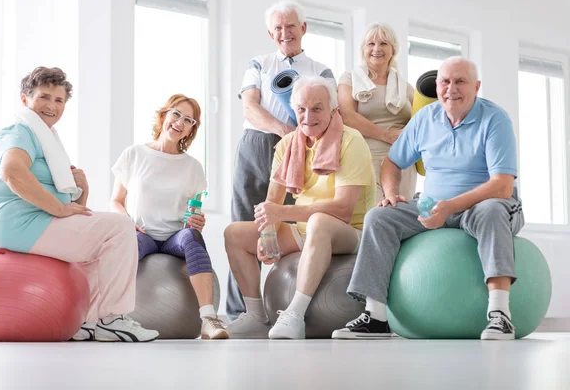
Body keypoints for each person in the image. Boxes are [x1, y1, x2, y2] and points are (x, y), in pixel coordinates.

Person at [333, 57, 524, 341]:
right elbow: (391, 163)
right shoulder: (425, 118)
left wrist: (451, 206)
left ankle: (500, 315)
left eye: (460, 81)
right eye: (445, 82)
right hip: (433, 205)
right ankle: (375, 316)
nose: (451, 89)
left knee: (493, 210)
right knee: (379, 217)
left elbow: (502, 186)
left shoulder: (495, 119)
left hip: (483, 204)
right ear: (437, 86)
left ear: (476, 86)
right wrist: (391, 193)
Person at [0, 66, 159, 342]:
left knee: (97, 244)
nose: (51, 105)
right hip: (20, 224)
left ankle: (87, 321)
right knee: (120, 226)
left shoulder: (44, 137)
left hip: (32, 221)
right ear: (25, 99)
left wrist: (80, 195)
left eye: (58, 100)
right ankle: (112, 318)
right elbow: (12, 172)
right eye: (44, 97)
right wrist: (59, 208)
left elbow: (62, 201)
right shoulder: (19, 131)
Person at [224, 76, 375, 339]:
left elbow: (343, 209)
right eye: (301, 109)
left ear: (333, 109)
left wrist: (282, 214)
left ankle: (294, 313)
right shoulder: (286, 145)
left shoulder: (351, 141)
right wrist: (267, 234)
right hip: (306, 231)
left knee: (319, 221)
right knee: (234, 234)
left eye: (317, 108)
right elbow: (272, 202)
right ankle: (256, 314)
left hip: (350, 232)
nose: (307, 117)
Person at [226, 0, 337, 320]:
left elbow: (330, 114)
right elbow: (249, 106)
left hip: (302, 153)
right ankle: (241, 313)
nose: (285, 33)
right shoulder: (259, 63)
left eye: (291, 26)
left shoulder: (321, 71)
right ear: (270, 33)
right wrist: (285, 131)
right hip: (257, 145)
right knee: (245, 225)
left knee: (292, 228)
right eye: (278, 28)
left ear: (303, 28)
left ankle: (287, 309)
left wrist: (296, 141)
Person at [110, 94, 228, 340]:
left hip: (175, 236)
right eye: (176, 114)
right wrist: (127, 223)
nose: (180, 122)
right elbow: (116, 201)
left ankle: (208, 319)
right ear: (163, 115)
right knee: (126, 248)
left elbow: (193, 209)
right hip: (143, 233)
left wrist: (197, 220)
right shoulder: (134, 154)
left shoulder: (193, 166)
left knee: (192, 237)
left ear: (190, 130)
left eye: (188, 120)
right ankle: (111, 317)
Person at [338, 22, 416, 202]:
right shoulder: (349, 79)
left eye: (383, 43)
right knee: (373, 215)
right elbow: (347, 116)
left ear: (393, 49)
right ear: (363, 49)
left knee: (401, 214)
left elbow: (419, 122)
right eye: (371, 44)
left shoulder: (406, 88)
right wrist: (387, 136)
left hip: (403, 161)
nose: (377, 49)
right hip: (366, 156)